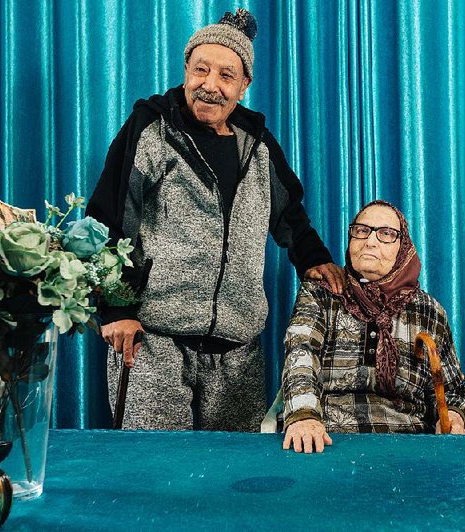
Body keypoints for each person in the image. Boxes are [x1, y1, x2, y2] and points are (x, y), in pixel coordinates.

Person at [87, 8, 343, 431]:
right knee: (159, 478)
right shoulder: (150, 128)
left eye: (226, 75)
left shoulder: (257, 143)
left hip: (238, 353)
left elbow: (289, 213)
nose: (210, 85)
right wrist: (115, 309)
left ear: (244, 86)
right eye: (201, 70)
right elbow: (109, 218)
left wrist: (312, 258)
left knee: (232, 483)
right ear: (185, 70)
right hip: (155, 342)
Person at [281, 200, 465, 453]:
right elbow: (300, 354)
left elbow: (454, 390)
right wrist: (304, 416)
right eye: (361, 230)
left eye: (386, 234)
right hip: (330, 440)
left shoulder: (428, 310)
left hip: (410, 445)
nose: (370, 241)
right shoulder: (322, 294)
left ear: (403, 249)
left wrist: (453, 416)